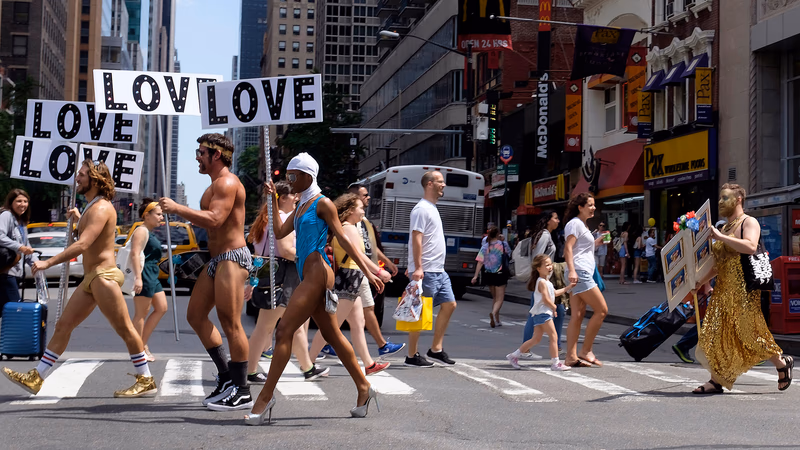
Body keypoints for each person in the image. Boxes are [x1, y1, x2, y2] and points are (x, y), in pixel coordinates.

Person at [246, 153, 385, 426]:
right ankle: (364, 388)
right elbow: (278, 230)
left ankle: (265, 398)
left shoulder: (322, 204)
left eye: (292, 175)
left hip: (318, 273)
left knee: (284, 330)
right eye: (287, 175)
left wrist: (369, 270)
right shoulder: (300, 205)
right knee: (332, 334)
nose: (289, 180)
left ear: (308, 175)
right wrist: (272, 199)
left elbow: (344, 238)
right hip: (307, 275)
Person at [3, 160, 156, 398]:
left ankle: (145, 378)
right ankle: (37, 377)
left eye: (82, 175)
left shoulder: (101, 208)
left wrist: (48, 262)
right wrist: (77, 220)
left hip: (103, 277)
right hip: (91, 279)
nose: (77, 178)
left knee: (125, 328)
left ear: (95, 180)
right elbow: (88, 239)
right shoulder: (91, 207)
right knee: (64, 325)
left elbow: (83, 244)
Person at [159, 133, 253, 411]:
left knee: (231, 324)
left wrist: (177, 208)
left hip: (232, 259)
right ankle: (227, 377)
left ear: (216, 155)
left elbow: (215, 218)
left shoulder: (226, 183)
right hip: (217, 260)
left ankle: (243, 390)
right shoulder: (215, 184)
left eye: (201, 152)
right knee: (195, 315)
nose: (197, 156)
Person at [690, 184, 791, 394]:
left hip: (744, 291)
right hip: (722, 291)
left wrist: (720, 238)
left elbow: (751, 246)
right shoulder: (724, 227)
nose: (720, 202)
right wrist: (701, 281)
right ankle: (716, 380)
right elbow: (719, 265)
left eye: (725, 198)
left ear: (738, 199)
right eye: (719, 198)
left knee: (751, 333)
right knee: (716, 334)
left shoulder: (748, 222)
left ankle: (782, 363)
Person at [244, 181, 328, 383]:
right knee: (265, 327)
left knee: (294, 325)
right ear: (282, 198)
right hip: (283, 277)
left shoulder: (265, 220)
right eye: (294, 196)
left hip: (273, 275)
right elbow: (286, 251)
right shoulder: (281, 219)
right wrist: (308, 260)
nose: (297, 199)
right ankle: (249, 370)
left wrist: (252, 282)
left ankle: (307, 367)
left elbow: (259, 253)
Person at [307, 193, 392, 375]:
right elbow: (359, 255)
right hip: (350, 277)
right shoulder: (349, 228)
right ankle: (308, 363)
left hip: (351, 276)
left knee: (358, 321)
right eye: (361, 208)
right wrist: (377, 272)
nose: (363, 211)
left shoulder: (344, 227)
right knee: (331, 326)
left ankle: (369, 364)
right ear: (351, 210)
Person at [403, 171, 458, 368]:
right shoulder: (421, 209)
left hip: (439, 270)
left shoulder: (432, 208)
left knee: (450, 304)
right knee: (420, 312)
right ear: (429, 184)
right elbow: (416, 238)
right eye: (440, 182)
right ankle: (411, 355)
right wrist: (417, 267)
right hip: (426, 270)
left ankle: (435, 349)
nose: (443, 185)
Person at [347, 184, 405, 357]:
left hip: (361, 270)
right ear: (354, 196)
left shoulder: (364, 222)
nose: (368, 197)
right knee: (349, 314)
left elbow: (370, 247)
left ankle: (380, 347)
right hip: (352, 270)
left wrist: (387, 262)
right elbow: (356, 251)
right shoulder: (351, 222)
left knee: (365, 311)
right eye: (364, 195)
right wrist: (377, 272)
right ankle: (324, 344)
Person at [563, 193, 609, 368]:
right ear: (580, 207)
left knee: (578, 315)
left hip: (581, 271)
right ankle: (586, 350)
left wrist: (596, 243)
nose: (593, 208)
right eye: (590, 205)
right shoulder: (575, 223)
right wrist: (573, 270)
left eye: (594, 205)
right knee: (602, 310)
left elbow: (579, 249)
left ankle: (570, 357)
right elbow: (568, 248)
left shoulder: (582, 225)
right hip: (580, 272)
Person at [506, 255, 575, 371]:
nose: (550, 267)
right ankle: (555, 363)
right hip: (543, 313)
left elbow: (555, 293)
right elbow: (546, 299)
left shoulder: (546, 281)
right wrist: (553, 307)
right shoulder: (542, 282)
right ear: (538, 268)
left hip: (540, 313)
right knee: (553, 336)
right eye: (547, 265)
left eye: (550, 264)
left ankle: (514, 356)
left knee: (536, 339)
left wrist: (568, 287)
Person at [522, 210, 568, 356]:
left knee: (553, 310)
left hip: (544, 278)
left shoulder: (545, 234)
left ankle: (556, 346)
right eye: (555, 218)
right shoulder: (544, 235)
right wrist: (542, 276)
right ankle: (526, 349)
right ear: (548, 220)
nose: (558, 221)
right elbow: (538, 258)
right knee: (538, 312)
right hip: (541, 279)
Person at [129, 198, 168, 362]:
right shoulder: (141, 230)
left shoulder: (149, 232)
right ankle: (138, 350)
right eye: (158, 214)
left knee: (162, 307)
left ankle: (142, 344)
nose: (161, 217)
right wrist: (138, 278)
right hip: (144, 274)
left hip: (153, 273)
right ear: (147, 215)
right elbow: (134, 254)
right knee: (141, 314)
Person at [0, 189, 35, 314]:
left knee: (7, 310)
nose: (23, 204)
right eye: (19, 201)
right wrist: (19, 247)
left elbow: (27, 246)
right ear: (11, 202)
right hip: (6, 272)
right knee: (15, 311)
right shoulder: (6, 215)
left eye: (25, 201)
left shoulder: (21, 222)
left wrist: (36, 264)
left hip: (15, 273)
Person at [471, 226, 511, 328]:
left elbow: (479, 262)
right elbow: (509, 254)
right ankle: (493, 314)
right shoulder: (502, 244)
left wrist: (475, 276)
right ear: (498, 234)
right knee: (500, 299)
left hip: (488, 274)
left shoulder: (485, 247)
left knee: (494, 298)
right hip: (500, 273)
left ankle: (496, 320)